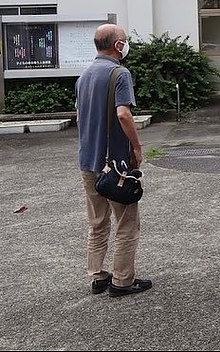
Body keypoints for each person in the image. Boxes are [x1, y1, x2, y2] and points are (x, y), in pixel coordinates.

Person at [75, 23, 152, 297]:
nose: (126, 43)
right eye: (125, 40)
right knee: (126, 222)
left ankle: (98, 276)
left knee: (97, 222)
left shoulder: (83, 77)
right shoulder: (119, 73)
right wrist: (137, 146)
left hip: (88, 161)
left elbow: (81, 118)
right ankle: (122, 280)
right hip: (115, 164)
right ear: (117, 45)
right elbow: (123, 114)